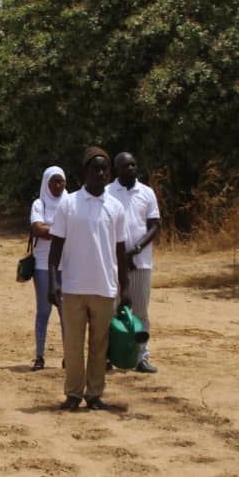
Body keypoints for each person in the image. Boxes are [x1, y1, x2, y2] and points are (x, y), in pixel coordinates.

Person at [48, 147, 131, 411]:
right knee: (73, 346)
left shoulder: (116, 207)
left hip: (105, 287)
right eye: (95, 168)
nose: (101, 173)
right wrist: (53, 282)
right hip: (73, 287)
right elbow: (55, 248)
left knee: (99, 346)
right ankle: (73, 394)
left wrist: (125, 288)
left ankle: (94, 395)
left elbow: (120, 251)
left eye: (105, 168)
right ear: (85, 172)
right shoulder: (68, 204)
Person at [108, 152, 161, 373]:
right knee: (110, 312)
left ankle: (141, 357)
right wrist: (121, 255)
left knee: (140, 311)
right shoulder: (108, 192)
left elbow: (155, 226)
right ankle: (108, 357)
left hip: (140, 263)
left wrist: (136, 249)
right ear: (116, 170)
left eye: (133, 164)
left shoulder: (147, 193)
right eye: (125, 166)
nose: (131, 168)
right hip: (112, 262)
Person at [29, 166, 67, 371]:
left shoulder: (70, 202)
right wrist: (61, 231)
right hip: (43, 264)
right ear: (46, 182)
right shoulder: (39, 203)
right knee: (43, 311)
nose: (57, 185)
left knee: (66, 313)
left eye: (60, 181)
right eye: (53, 181)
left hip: (67, 264)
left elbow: (46, 230)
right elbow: (37, 229)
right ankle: (40, 356)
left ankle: (68, 356)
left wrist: (50, 229)